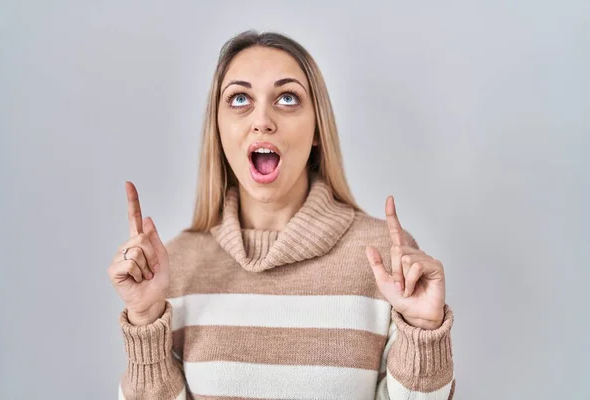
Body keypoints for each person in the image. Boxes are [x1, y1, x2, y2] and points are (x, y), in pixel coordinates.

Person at [108, 30, 455, 400]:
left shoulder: (383, 259)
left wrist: (423, 330)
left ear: (318, 128)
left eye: (287, 98)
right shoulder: (176, 265)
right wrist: (145, 320)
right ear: (219, 129)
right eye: (240, 99)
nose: (262, 120)